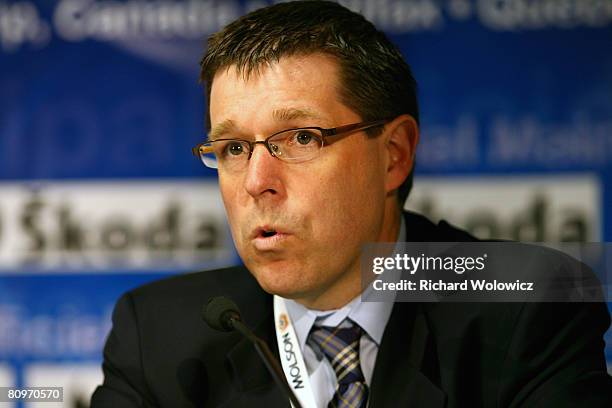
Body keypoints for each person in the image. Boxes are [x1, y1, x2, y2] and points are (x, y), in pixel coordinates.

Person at [91, 1, 612, 407]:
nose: (256, 182)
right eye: (232, 149)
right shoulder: (159, 335)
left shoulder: (523, 305)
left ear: (393, 155)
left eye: (299, 139)